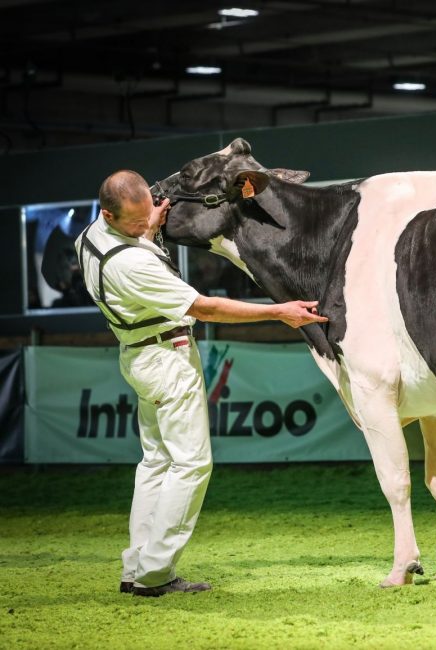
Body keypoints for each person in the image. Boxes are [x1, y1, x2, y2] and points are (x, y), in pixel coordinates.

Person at [74, 170, 327, 597]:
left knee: (155, 463)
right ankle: (155, 574)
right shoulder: (133, 263)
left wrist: (146, 230)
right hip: (165, 358)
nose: (147, 225)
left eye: (145, 217)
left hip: (138, 355)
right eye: (136, 223)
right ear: (108, 214)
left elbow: (134, 239)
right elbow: (204, 308)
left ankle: (137, 567)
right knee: (190, 465)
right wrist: (278, 311)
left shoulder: (90, 238)